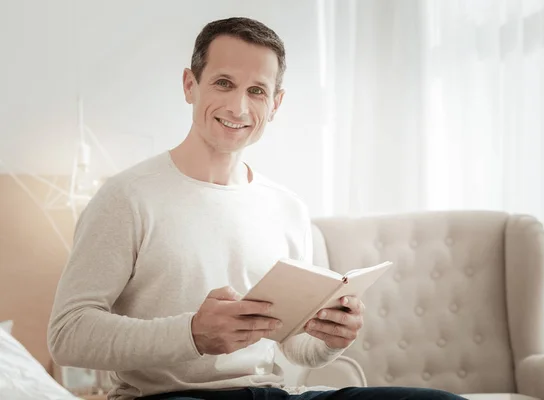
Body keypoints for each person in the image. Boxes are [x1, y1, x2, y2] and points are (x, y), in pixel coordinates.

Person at [48, 17, 465, 400]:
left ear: (276, 104)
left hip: (267, 393)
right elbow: (67, 335)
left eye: (257, 91)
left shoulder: (287, 208)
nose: (239, 108)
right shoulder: (127, 197)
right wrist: (192, 333)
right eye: (224, 83)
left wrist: (330, 338)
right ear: (190, 85)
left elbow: (297, 347)